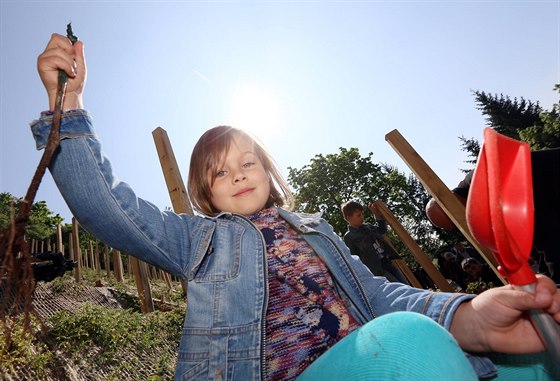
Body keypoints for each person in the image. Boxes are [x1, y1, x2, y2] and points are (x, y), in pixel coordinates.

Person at [32, 32, 560, 381]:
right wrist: (70, 103)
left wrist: (469, 315)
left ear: (268, 170)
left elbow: (375, 294)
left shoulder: (315, 231)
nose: (236, 172)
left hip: (362, 357)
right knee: (410, 346)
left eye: (247, 161)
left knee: (532, 357)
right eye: (218, 171)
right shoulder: (200, 240)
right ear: (203, 193)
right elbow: (105, 208)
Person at [426, 148, 560, 284]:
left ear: (454, 206)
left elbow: (546, 229)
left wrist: (554, 280)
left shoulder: (488, 186)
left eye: (456, 222)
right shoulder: (474, 193)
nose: (464, 224)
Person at [341, 201, 409, 284]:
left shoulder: (368, 226)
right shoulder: (349, 237)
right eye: (358, 215)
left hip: (387, 262)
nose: (362, 217)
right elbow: (355, 259)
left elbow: (382, 230)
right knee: (399, 288)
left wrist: (376, 214)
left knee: (406, 285)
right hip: (377, 270)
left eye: (362, 214)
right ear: (349, 218)